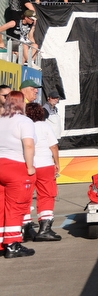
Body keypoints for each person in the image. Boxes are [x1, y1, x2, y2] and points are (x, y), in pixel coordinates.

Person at [0, 90, 36, 258]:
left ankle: (1, 242)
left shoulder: (0, 120)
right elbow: (28, 145)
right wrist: (30, 167)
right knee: (16, 206)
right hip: (16, 167)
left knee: (1, 207)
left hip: (1, 165)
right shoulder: (24, 121)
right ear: (21, 103)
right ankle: (13, 243)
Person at [23, 103, 60, 242]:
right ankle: (45, 228)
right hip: (45, 164)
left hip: (28, 164)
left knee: (25, 196)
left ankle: (24, 227)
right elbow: (54, 146)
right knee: (46, 195)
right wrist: (57, 163)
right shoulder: (44, 126)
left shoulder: (23, 126)